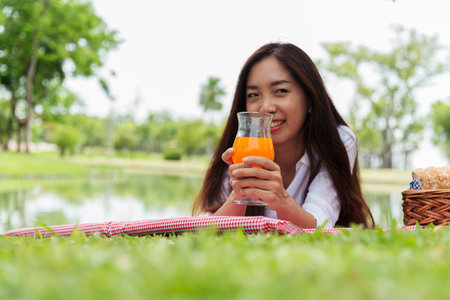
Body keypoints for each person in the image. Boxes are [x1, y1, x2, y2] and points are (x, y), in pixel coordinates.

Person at [192, 42, 374, 228]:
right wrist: (239, 194)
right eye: (254, 95)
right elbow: (206, 229)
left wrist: (281, 199)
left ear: (310, 100)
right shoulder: (240, 148)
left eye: (281, 91)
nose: (266, 107)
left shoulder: (337, 141)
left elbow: (320, 226)